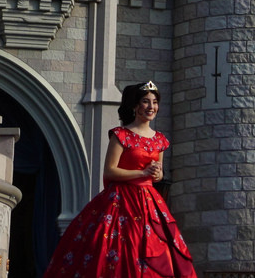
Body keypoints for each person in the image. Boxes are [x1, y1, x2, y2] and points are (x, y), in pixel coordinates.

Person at [41, 81, 197, 278]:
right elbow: (110, 171)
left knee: (157, 250)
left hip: (149, 202)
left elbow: (159, 174)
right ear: (135, 105)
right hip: (120, 201)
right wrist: (142, 173)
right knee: (118, 248)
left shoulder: (160, 140)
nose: (151, 107)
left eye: (155, 102)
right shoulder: (121, 135)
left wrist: (158, 174)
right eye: (146, 102)